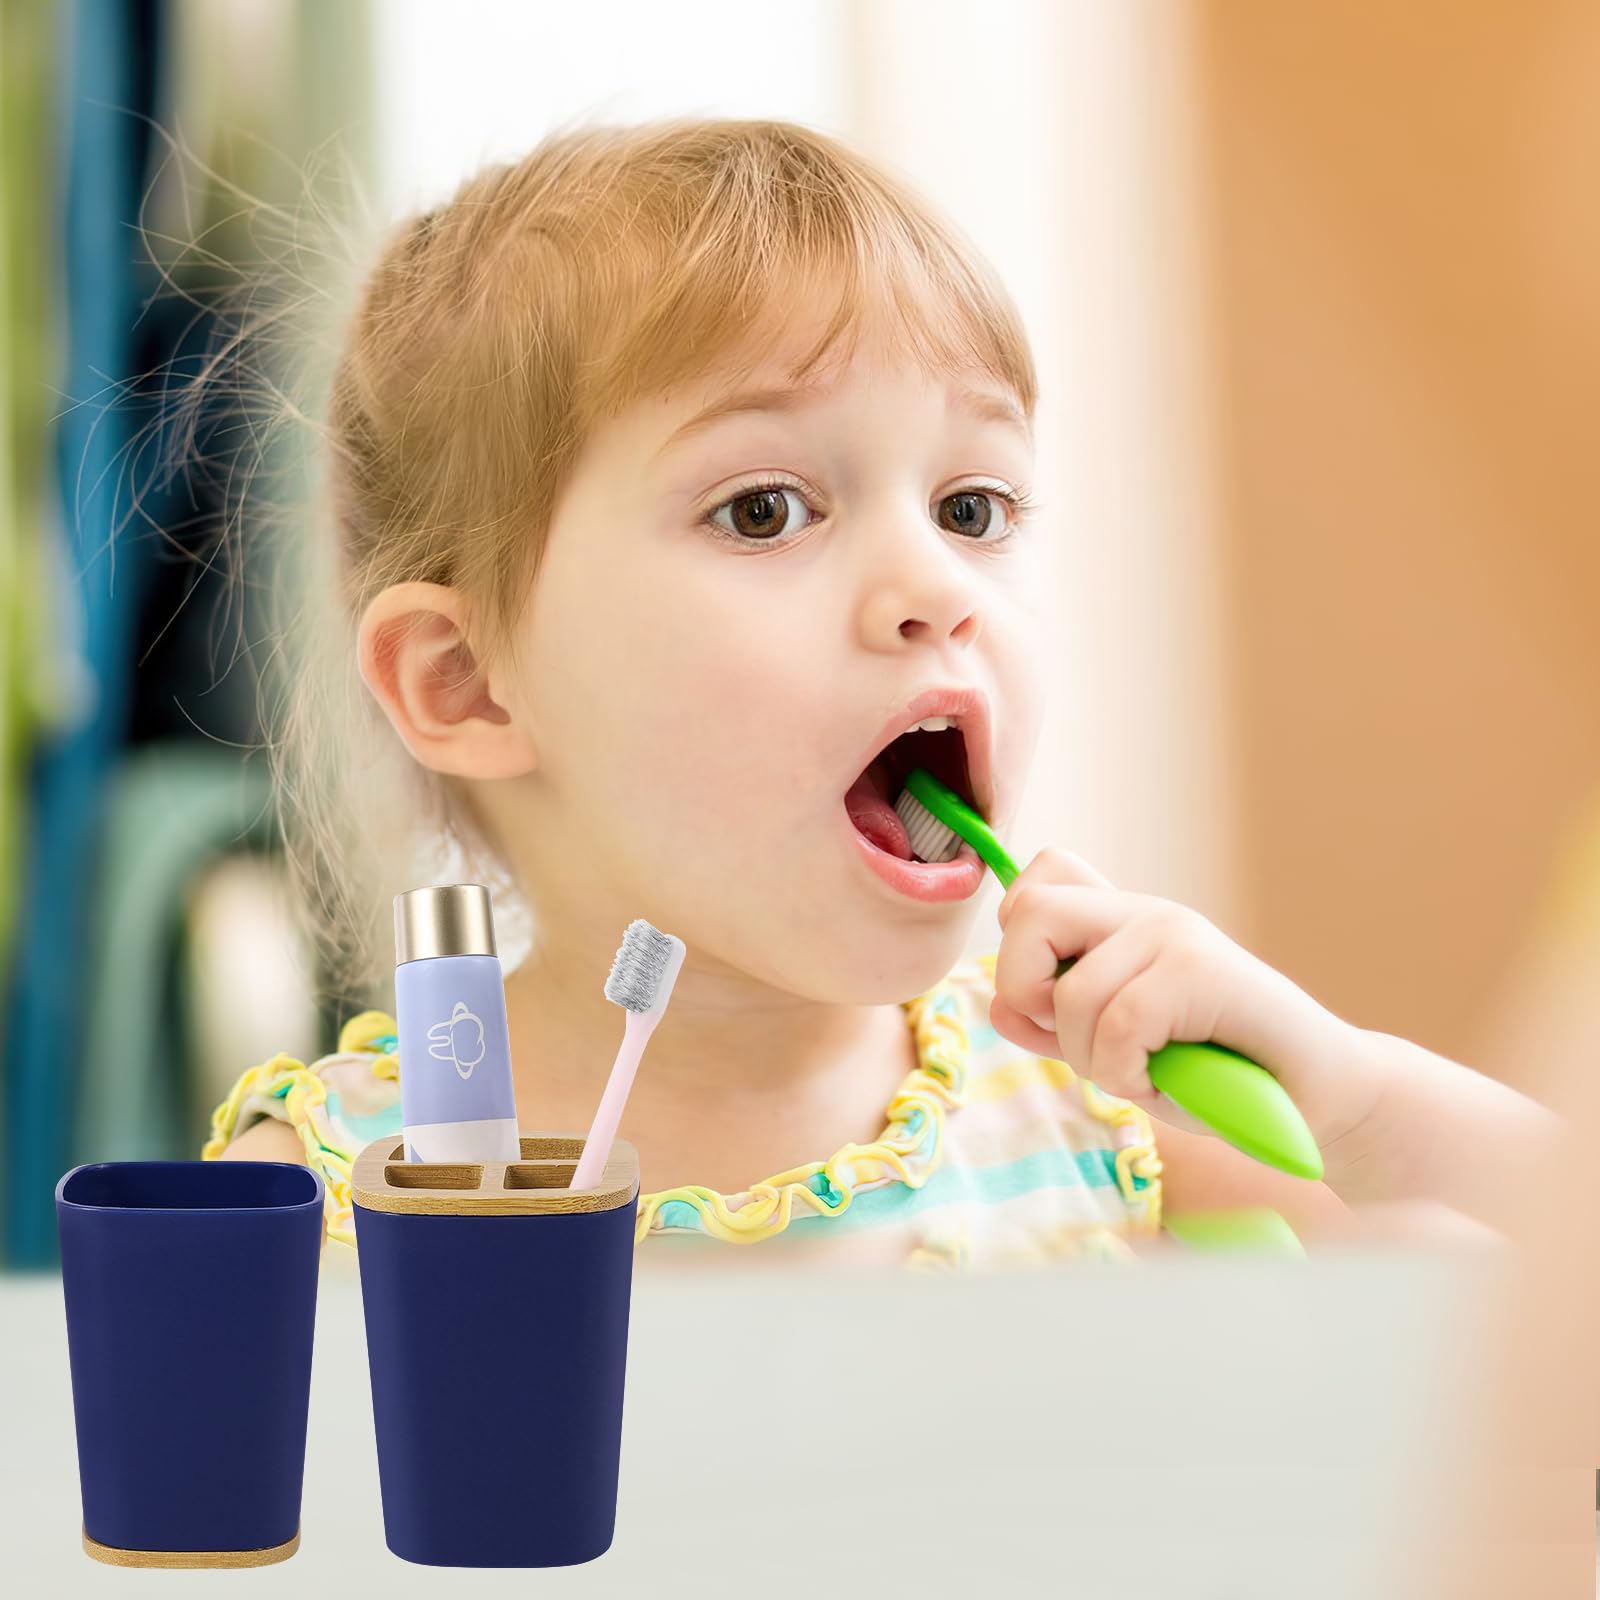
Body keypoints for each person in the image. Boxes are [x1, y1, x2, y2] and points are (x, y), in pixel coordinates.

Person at [201, 116, 1555, 1263]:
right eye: (766, 509)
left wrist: (1348, 1089)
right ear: (468, 686)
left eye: (974, 504)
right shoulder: (330, 1204)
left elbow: (1556, 1294)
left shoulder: (1090, 1129)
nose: (936, 585)